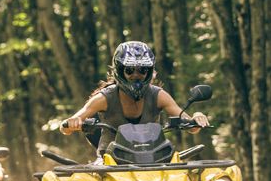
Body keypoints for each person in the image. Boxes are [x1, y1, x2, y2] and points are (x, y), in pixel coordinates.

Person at [62, 41, 210, 158]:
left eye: (142, 70)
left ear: (149, 71)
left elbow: (191, 126)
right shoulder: (104, 98)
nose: (136, 75)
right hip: (110, 163)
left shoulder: (158, 95)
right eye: (129, 70)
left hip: (155, 160)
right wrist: (73, 124)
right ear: (120, 70)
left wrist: (196, 118)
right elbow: (65, 127)